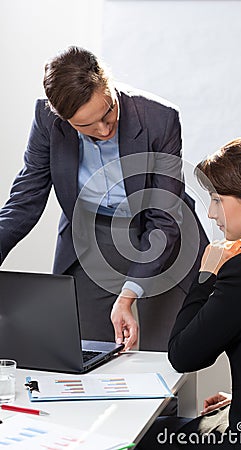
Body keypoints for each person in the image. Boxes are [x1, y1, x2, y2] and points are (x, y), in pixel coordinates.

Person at [0, 46, 208, 351]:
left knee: (166, 357)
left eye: (108, 112)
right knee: (86, 354)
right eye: (86, 126)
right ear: (62, 118)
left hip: (161, 233)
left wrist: (128, 295)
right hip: (92, 237)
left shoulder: (159, 118)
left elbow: (164, 217)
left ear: (109, 85)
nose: (104, 129)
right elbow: (24, 201)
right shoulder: (46, 121)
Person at [137, 136, 241, 448]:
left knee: (140, 435)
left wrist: (206, 276)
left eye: (216, 199)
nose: (211, 214)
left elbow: (183, 355)